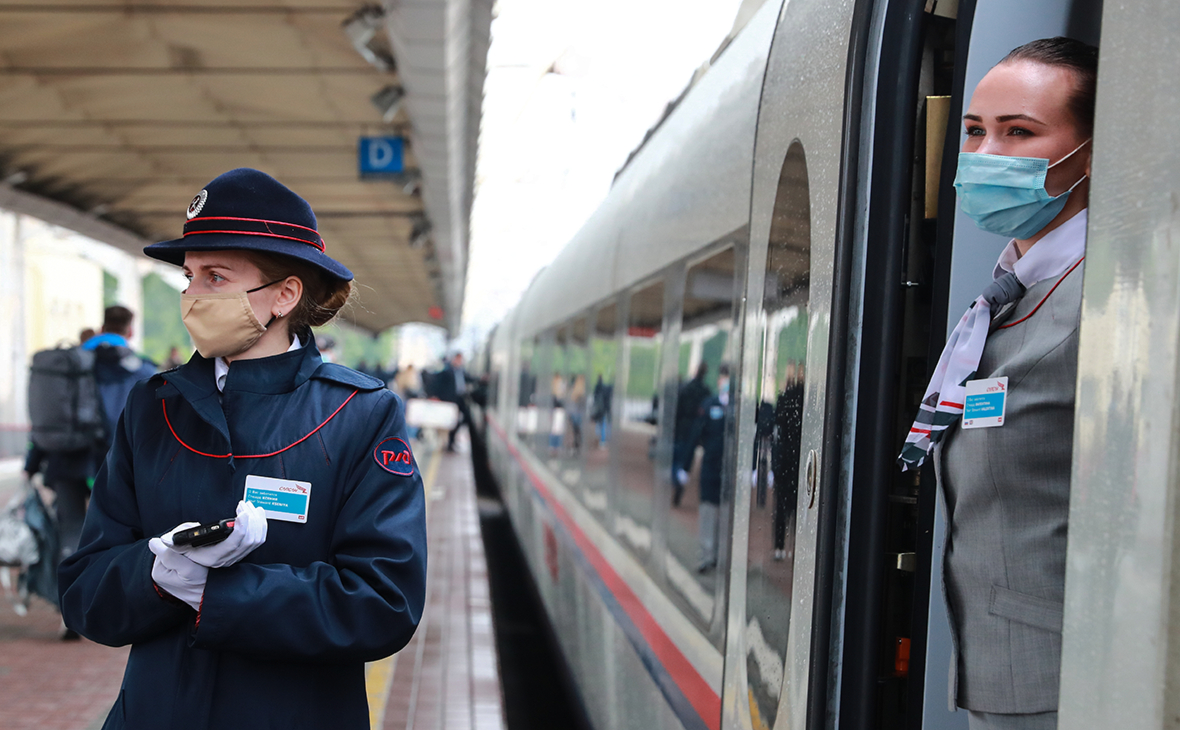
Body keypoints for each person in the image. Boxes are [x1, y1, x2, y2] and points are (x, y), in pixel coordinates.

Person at [59, 168, 427, 730]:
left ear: (285, 294)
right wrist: (155, 575)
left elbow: (385, 601)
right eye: (189, 278)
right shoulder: (153, 408)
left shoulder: (359, 414)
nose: (193, 296)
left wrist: (219, 592)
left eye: (216, 277)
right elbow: (86, 590)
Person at [898, 38, 1097, 730]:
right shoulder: (1009, 291)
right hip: (1003, 676)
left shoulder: (1104, 301)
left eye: (1020, 132)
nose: (987, 155)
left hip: (1072, 683)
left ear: (1093, 152)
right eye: (975, 130)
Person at [86, 305, 158, 439]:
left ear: (101, 330)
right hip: (122, 446)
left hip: (79, 447)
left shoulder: (77, 362)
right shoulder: (144, 370)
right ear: (130, 332)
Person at [687, 364, 730, 573]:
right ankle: (706, 555)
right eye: (723, 377)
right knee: (707, 512)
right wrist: (685, 467)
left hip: (729, 470)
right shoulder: (709, 404)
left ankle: (720, 557)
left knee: (725, 515)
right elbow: (695, 435)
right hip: (710, 468)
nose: (724, 382)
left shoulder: (740, 408)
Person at [672, 362, 712, 506]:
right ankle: (680, 481)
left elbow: (678, 409)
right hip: (695, 430)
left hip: (683, 429)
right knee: (686, 460)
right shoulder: (705, 391)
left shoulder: (687, 388)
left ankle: (677, 481)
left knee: (678, 458)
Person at [435, 352, 471, 452]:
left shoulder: (462, 371)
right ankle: (450, 442)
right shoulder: (447, 371)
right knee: (450, 422)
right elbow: (438, 384)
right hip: (450, 400)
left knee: (466, 418)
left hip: (460, 399)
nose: (459, 361)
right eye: (458, 359)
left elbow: (469, 378)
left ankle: (452, 439)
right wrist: (437, 397)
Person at [591, 374, 612, 446]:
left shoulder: (598, 387)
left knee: (600, 424)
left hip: (600, 409)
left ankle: (600, 437)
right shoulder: (608, 388)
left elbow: (595, 397)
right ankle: (603, 440)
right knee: (604, 424)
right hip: (605, 409)